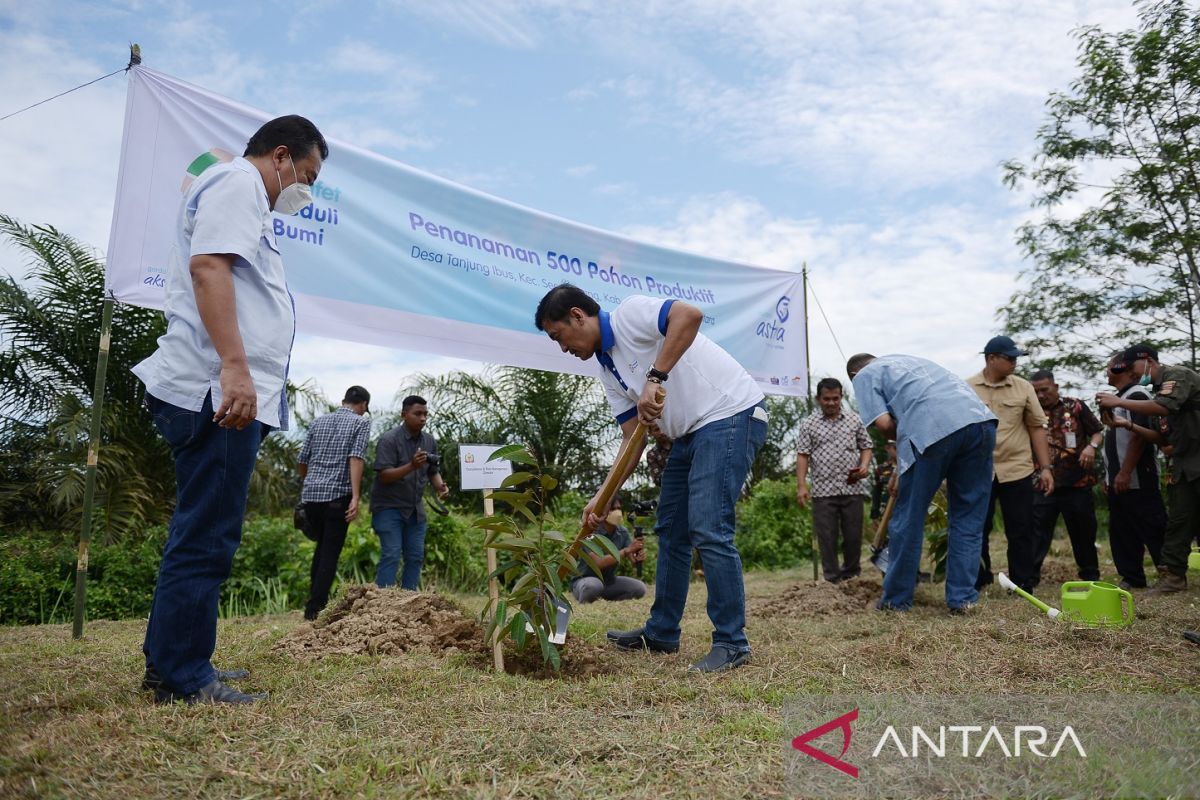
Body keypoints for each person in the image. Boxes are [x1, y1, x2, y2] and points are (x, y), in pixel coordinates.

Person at [133, 115, 328, 704]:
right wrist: (234, 368)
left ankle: (173, 660)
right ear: (281, 156)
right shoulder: (237, 184)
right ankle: (183, 676)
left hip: (224, 391)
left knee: (202, 529)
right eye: (308, 175)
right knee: (209, 536)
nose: (307, 190)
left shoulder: (246, 197)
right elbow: (209, 268)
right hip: (215, 393)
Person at [534, 283, 766, 673]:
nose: (563, 348)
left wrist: (656, 377)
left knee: (709, 528)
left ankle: (732, 642)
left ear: (577, 315)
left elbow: (689, 315)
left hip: (730, 414)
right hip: (688, 434)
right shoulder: (608, 368)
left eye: (559, 337)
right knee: (672, 532)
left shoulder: (629, 315)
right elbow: (631, 441)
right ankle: (661, 633)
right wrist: (602, 497)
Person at [846, 353, 997, 613]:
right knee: (968, 518)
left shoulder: (864, 375)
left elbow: (884, 425)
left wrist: (907, 447)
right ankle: (963, 600)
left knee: (908, 519)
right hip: (981, 423)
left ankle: (895, 601)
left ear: (853, 376)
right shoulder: (908, 362)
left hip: (934, 429)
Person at [1096, 344, 1200, 594]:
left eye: (1131, 368)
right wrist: (1127, 425)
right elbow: (1160, 439)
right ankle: (1174, 578)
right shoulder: (1154, 395)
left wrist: (1120, 401)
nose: (1130, 374)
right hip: (1184, 466)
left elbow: (1166, 406)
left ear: (1147, 361)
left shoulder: (1177, 375)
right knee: (1179, 523)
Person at [966, 335, 1053, 593]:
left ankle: (1022, 582)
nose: (1015, 362)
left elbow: (1037, 427)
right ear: (991, 358)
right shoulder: (966, 387)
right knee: (977, 528)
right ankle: (978, 579)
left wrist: (1046, 468)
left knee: (1022, 528)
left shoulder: (1023, 387)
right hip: (977, 471)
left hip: (1017, 469)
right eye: (1009, 358)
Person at [298, 386, 372, 620]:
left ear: (343, 401)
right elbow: (356, 457)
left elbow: (302, 459)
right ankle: (315, 610)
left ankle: (313, 603)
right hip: (337, 497)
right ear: (364, 405)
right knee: (329, 553)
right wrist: (356, 496)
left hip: (311, 497)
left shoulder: (318, 422)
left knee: (321, 549)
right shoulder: (361, 423)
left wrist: (309, 482)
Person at [1028, 370, 1102, 584]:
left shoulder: (1075, 406)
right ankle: (1029, 579)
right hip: (1042, 483)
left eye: (1045, 390)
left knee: (1083, 532)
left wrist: (1092, 446)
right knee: (1036, 533)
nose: (1041, 395)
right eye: (1036, 392)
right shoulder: (1030, 411)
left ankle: (1090, 577)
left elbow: (1097, 431)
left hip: (1077, 482)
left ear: (1056, 387)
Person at [795, 377, 873, 583]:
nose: (831, 403)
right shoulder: (808, 424)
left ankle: (852, 577)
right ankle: (831, 579)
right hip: (823, 492)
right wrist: (802, 486)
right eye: (827, 399)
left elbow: (866, 445)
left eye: (835, 398)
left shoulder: (854, 420)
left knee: (853, 536)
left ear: (841, 398)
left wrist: (864, 466)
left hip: (852, 489)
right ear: (818, 399)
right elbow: (803, 455)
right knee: (827, 538)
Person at [1100, 352, 1165, 589]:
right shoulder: (1119, 398)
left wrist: (1126, 471)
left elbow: (1140, 438)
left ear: (1123, 370)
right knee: (1122, 531)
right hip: (1118, 480)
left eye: (1110, 367)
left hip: (1138, 478)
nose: (1107, 372)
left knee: (1153, 526)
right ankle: (1132, 577)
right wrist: (1108, 475)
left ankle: (1169, 574)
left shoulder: (1137, 395)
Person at [371, 395, 450, 590]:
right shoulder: (389, 440)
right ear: (404, 414)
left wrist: (440, 487)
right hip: (388, 508)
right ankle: (382, 606)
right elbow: (384, 475)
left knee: (415, 556)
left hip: (415, 509)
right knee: (391, 554)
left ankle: (409, 603)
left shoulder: (429, 441)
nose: (423, 418)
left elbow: (433, 470)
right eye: (418, 414)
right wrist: (412, 466)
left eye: (425, 414)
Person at [570, 497, 648, 603]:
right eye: (612, 509)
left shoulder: (622, 532)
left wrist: (638, 557)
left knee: (639, 588)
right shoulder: (590, 532)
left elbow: (632, 560)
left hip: (609, 581)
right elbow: (598, 563)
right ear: (603, 511)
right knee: (593, 586)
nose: (617, 512)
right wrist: (626, 551)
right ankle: (588, 597)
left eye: (619, 508)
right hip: (585, 580)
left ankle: (605, 600)